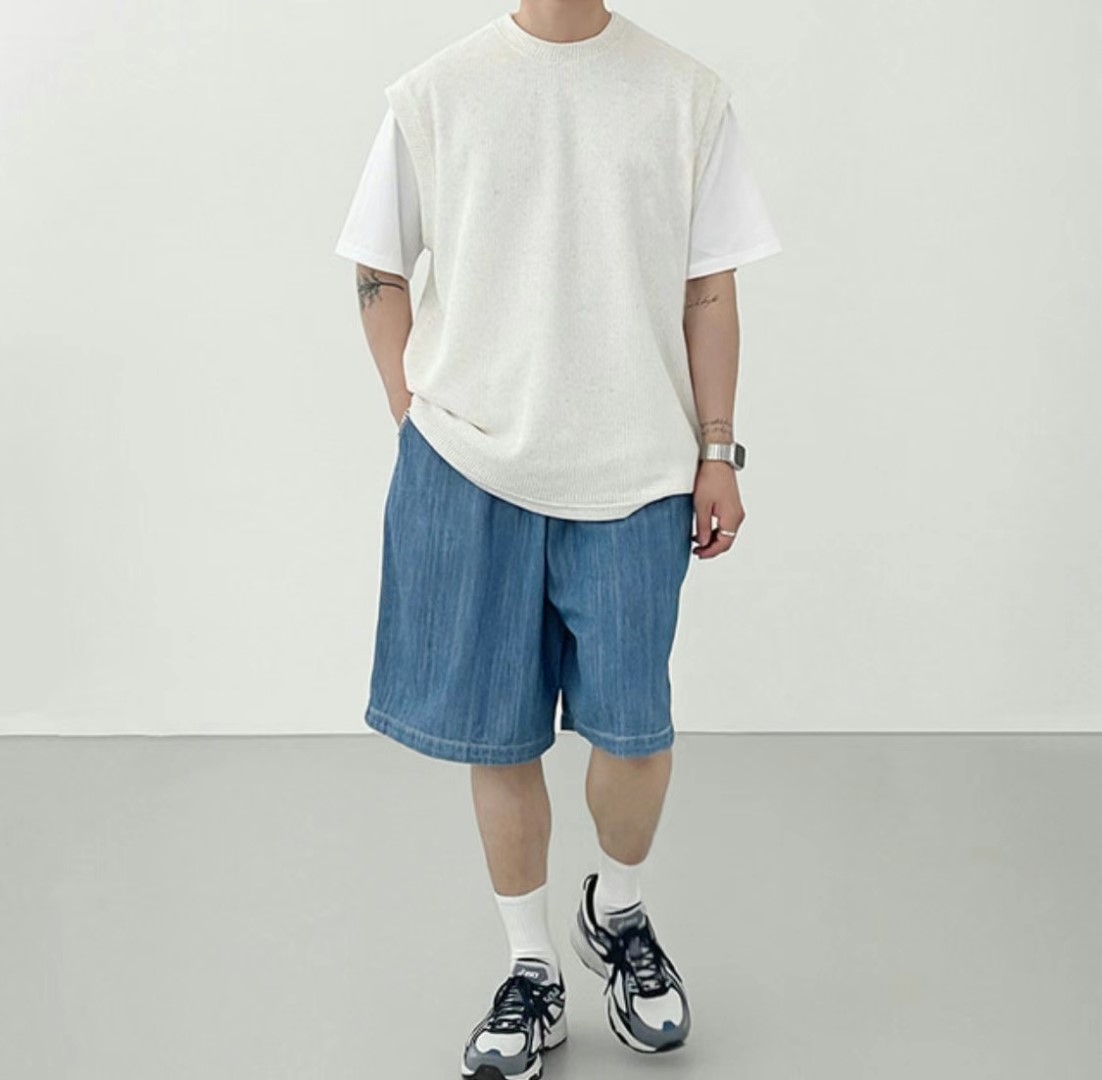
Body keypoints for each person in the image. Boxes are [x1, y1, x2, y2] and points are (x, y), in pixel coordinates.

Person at [334, 3, 781, 1076]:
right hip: (470, 465)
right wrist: (414, 410)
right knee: (498, 738)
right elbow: (376, 267)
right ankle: (529, 968)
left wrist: (717, 450)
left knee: (635, 732)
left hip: (638, 468)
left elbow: (709, 290)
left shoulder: (684, 94)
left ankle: (616, 912)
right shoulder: (437, 91)